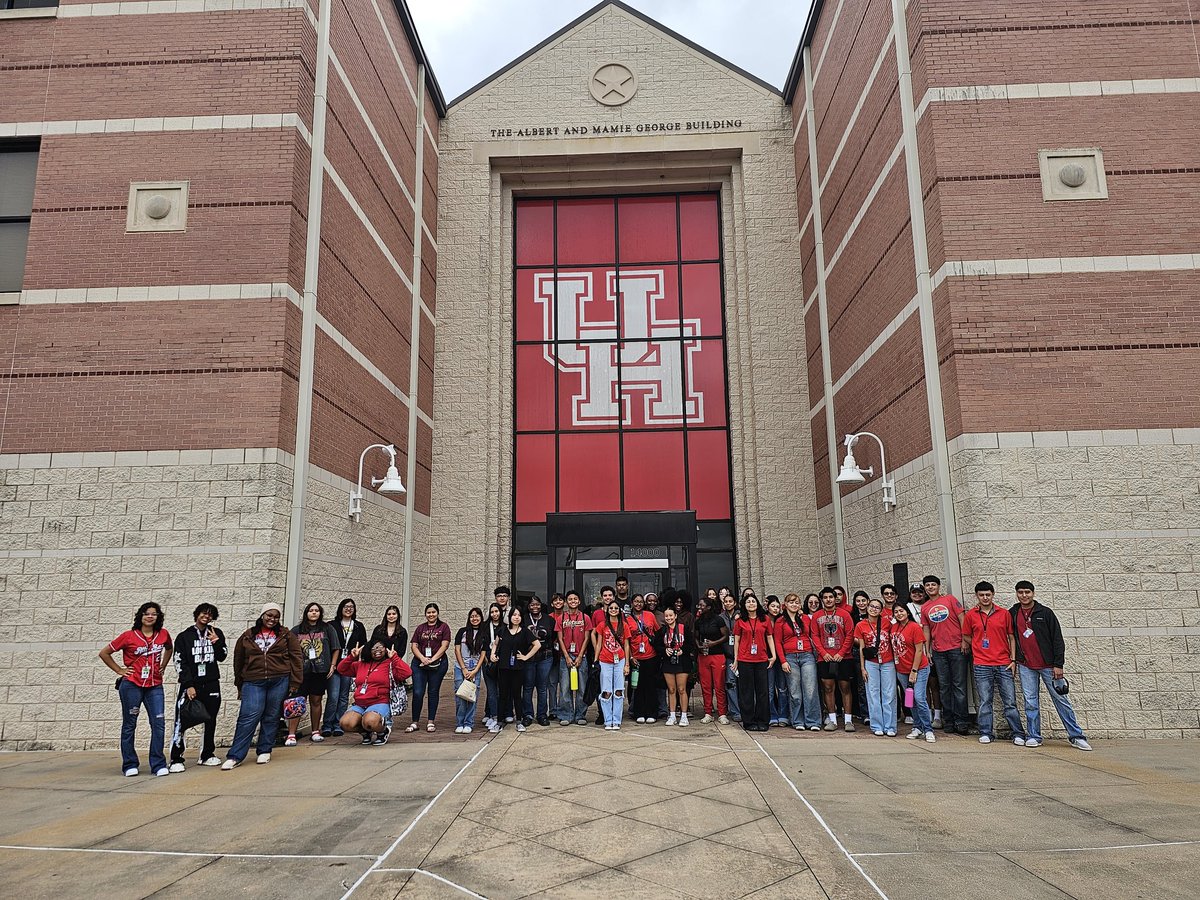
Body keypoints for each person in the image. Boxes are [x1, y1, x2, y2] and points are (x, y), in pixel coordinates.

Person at [1010, 580, 1092, 751]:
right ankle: (1034, 736)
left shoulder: (1045, 613)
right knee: (1030, 702)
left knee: (1061, 700)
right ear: (1017, 594)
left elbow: (1057, 639)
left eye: (1027, 592)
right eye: (1021, 592)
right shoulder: (1013, 612)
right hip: (1026, 665)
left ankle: (1076, 736)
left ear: (1033, 593)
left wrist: (1058, 664)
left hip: (1049, 666)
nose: (1024, 595)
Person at [222, 602, 302, 769]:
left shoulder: (286, 635)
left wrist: (295, 682)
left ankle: (264, 750)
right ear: (262, 615)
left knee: (271, 716)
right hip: (253, 681)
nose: (272, 619)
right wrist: (239, 684)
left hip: (279, 679)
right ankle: (235, 755)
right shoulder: (248, 635)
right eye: (269, 615)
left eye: (276, 616)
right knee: (248, 717)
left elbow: (296, 659)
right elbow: (238, 660)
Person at [100, 602, 174, 777]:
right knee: (129, 724)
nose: (150, 617)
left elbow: (169, 648)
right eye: (146, 613)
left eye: (154, 614)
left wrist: (163, 665)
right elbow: (104, 653)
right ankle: (130, 764)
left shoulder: (163, 634)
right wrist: (120, 670)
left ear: (158, 617)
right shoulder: (128, 636)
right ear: (140, 616)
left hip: (155, 685)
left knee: (158, 723)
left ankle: (158, 764)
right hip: (132, 684)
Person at [962, 580, 1026, 746]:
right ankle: (985, 732)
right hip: (982, 664)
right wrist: (977, 645)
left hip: (1003, 663)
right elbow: (966, 636)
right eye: (981, 595)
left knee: (1010, 701)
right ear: (977, 596)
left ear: (993, 595)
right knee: (985, 701)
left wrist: (1013, 660)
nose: (985, 598)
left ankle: (1018, 733)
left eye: (988, 595)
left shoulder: (1004, 613)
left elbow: (1011, 637)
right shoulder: (971, 615)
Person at [169, 603, 225, 771]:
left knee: (210, 719)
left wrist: (216, 642)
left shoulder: (216, 633)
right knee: (182, 719)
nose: (206, 617)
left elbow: (222, 656)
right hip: (191, 684)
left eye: (210, 615)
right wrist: (188, 685)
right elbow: (180, 662)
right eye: (203, 613)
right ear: (197, 614)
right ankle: (176, 758)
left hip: (211, 682)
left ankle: (207, 754)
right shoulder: (184, 637)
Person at [337, 641, 412, 744]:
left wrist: (394, 657)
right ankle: (365, 732)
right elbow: (341, 669)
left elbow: (407, 672)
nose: (377, 650)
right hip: (360, 703)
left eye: (380, 647)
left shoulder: (389, 665)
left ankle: (383, 732)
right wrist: (351, 657)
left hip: (380, 702)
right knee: (345, 723)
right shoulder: (360, 665)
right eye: (374, 648)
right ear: (368, 650)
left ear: (386, 649)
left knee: (370, 721)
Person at [286, 602, 339, 746]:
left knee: (316, 701)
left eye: (316, 610)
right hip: (301, 672)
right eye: (311, 610)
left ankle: (315, 731)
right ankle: (291, 734)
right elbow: (288, 650)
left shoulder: (327, 628)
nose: (314, 613)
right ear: (306, 613)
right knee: (297, 701)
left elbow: (335, 648)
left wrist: (333, 665)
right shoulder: (296, 630)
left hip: (320, 670)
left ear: (320, 613)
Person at [920, 576, 967, 734]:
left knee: (959, 686)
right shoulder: (925, 607)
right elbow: (926, 629)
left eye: (933, 584)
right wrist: (927, 650)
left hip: (956, 648)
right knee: (944, 686)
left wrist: (964, 640)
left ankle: (961, 721)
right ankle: (949, 720)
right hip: (938, 651)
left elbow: (962, 618)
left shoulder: (950, 599)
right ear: (925, 588)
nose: (931, 587)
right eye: (927, 585)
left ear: (939, 586)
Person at [490, 605, 540, 732]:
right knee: (503, 695)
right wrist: (492, 654)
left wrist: (525, 657)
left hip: (518, 667)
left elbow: (537, 644)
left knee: (517, 694)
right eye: (514, 615)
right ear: (510, 616)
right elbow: (495, 644)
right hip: (503, 667)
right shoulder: (502, 630)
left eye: (518, 615)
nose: (516, 617)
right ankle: (499, 722)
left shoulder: (525, 632)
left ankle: (519, 721)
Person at [776, 593, 821, 731]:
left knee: (810, 689)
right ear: (785, 604)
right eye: (791, 602)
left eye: (796, 602)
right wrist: (783, 661)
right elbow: (777, 642)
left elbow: (813, 635)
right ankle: (797, 720)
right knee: (795, 691)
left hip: (807, 656)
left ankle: (813, 721)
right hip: (790, 657)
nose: (794, 605)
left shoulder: (806, 618)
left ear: (800, 605)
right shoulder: (780, 621)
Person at [813, 587, 856, 732]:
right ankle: (832, 720)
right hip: (824, 657)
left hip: (844, 657)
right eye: (825, 597)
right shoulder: (817, 616)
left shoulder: (845, 614)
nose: (828, 600)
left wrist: (842, 652)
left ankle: (848, 721)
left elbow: (850, 634)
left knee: (845, 687)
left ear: (835, 598)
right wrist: (823, 653)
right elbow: (815, 636)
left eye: (831, 597)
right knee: (828, 687)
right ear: (822, 600)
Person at [323, 598, 367, 737]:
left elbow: (364, 643)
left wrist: (359, 652)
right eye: (346, 607)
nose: (348, 609)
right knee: (333, 696)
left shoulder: (358, 626)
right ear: (341, 608)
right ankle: (327, 724)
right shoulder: (332, 625)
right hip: (335, 665)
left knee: (343, 696)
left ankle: (338, 723)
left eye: (351, 607)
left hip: (349, 666)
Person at [733, 593, 776, 732]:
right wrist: (736, 659)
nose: (751, 603)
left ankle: (763, 720)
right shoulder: (740, 621)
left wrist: (773, 655)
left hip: (761, 659)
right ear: (744, 606)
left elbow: (769, 637)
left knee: (762, 691)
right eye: (748, 602)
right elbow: (737, 641)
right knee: (747, 692)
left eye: (753, 601)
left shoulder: (765, 620)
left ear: (757, 604)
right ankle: (749, 721)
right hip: (745, 659)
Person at [891, 603, 933, 742]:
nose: (899, 613)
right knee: (909, 699)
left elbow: (919, 650)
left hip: (919, 668)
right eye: (896, 611)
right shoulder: (894, 628)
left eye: (901, 610)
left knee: (920, 698)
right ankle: (917, 727)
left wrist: (914, 670)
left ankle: (928, 729)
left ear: (907, 612)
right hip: (901, 670)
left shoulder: (915, 627)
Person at [591, 595, 634, 730]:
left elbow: (627, 645)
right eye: (611, 608)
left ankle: (617, 720)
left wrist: (627, 664)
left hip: (620, 660)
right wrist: (595, 660)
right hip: (605, 660)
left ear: (619, 610)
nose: (614, 610)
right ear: (607, 610)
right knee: (606, 691)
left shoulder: (624, 625)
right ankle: (608, 720)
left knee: (619, 691)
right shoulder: (602, 625)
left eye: (616, 608)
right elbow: (599, 644)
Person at [407, 603, 452, 733]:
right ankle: (414, 721)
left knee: (433, 692)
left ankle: (430, 721)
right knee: (418, 692)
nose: (431, 615)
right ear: (425, 614)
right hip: (419, 664)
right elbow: (414, 646)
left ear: (437, 613)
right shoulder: (420, 628)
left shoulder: (444, 627)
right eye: (428, 612)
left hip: (438, 664)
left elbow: (445, 645)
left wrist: (432, 659)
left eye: (433, 612)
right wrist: (423, 659)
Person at [855, 598, 896, 737]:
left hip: (887, 661)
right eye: (871, 606)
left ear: (881, 610)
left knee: (889, 693)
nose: (873, 609)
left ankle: (890, 725)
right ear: (867, 607)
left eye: (877, 607)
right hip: (871, 662)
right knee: (872, 693)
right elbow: (861, 648)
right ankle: (876, 724)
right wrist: (862, 668)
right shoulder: (860, 625)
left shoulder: (887, 623)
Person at [556, 590, 591, 726]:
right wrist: (566, 656)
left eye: (575, 599)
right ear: (566, 602)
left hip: (581, 656)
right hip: (565, 657)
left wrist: (581, 655)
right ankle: (566, 714)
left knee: (582, 687)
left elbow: (587, 637)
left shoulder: (585, 618)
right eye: (570, 599)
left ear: (579, 601)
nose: (573, 601)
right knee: (565, 688)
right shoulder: (561, 619)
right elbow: (559, 638)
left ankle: (580, 715)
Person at [694, 594, 730, 724]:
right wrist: (698, 645)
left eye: (702, 605)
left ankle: (722, 713)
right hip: (704, 656)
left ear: (709, 607)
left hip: (717, 655)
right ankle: (708, 712)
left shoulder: (718, 620)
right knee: (706, 686)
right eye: (699, 605)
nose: (700, 607)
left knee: (719, 685)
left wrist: (713, 643)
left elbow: (726, 636)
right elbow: (696, 636)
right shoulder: (698, 621)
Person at [657, 602, 694, 725]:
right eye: (666, 616)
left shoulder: (684, 628)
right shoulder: (662, 630)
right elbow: (656, 645)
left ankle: (684, 715)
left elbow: (691, 643)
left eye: (671, 615)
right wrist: (664, 650)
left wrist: (682, 650)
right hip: (668, 662)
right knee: (671, 689)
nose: (668, 618)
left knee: (681, 689)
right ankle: (672, 715)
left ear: (675, 615)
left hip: (682, 662)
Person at [523, 596, 557, 726]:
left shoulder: (549, 619)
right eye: (532, 605)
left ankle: (542, 715)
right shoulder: (524, 619)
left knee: (542, 687)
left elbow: (554, 637)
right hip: (528, 658)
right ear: (528, 606)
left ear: (541, 605)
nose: (535, 607)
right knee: (528, 687)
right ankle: (528, 714)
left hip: (545, 657)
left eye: (537, 604)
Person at [628, 592, 661, 724]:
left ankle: (652, 712)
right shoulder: (627, 619)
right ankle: (639, 713)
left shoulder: (650, 615)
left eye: (641, 601)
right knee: (637, 686)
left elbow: (658, 633)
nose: (638, 604)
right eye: (636, 601)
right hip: (636, 657)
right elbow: (626, 640)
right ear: (632, 603)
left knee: (650, 685)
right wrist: (630, 657)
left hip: (651, 656)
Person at [453, 607, 487, 733]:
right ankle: (460, 722)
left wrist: (475, 671)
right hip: (460, 668)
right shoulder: (462, 631)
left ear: (481, 618)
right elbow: (457, 650)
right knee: (460, 695)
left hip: (475, 669)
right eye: (472, 616)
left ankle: (469, 723)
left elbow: (483, 654)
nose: (474, 618)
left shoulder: (484, 634)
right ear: (469, 618)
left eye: (477, 616)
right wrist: (463, 669)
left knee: (472, 696)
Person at [765, 595, 788, 726]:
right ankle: (772, 714)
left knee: (783, 688)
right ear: (767, 607)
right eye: (773, 606)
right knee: (769, 688)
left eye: (777, 606)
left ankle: (783, 714)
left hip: (782, 657)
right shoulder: (763, 619)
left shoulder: (782, 620)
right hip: (767, 657)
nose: (775, 608)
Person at [719, 591, 742, 722]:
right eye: (726, 601)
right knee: (730, 683)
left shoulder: (741, 616)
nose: (728, 603)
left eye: (730, 601)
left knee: (743, 684)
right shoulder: (720, 617)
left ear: (735, 603)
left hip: (742, 656)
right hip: (728, 655)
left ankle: (746, 709)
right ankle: (735, 711)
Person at [482, 602, 504, 730]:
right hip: (487, 661)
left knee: (500, 690)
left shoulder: (505, 626)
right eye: (492, 612)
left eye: (497, 611)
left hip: (501, 661)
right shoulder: (484, 627)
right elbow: (481, 646)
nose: (495, 614)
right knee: (491, 690)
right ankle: (493, 716)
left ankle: (499, 714)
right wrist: (486, 660)